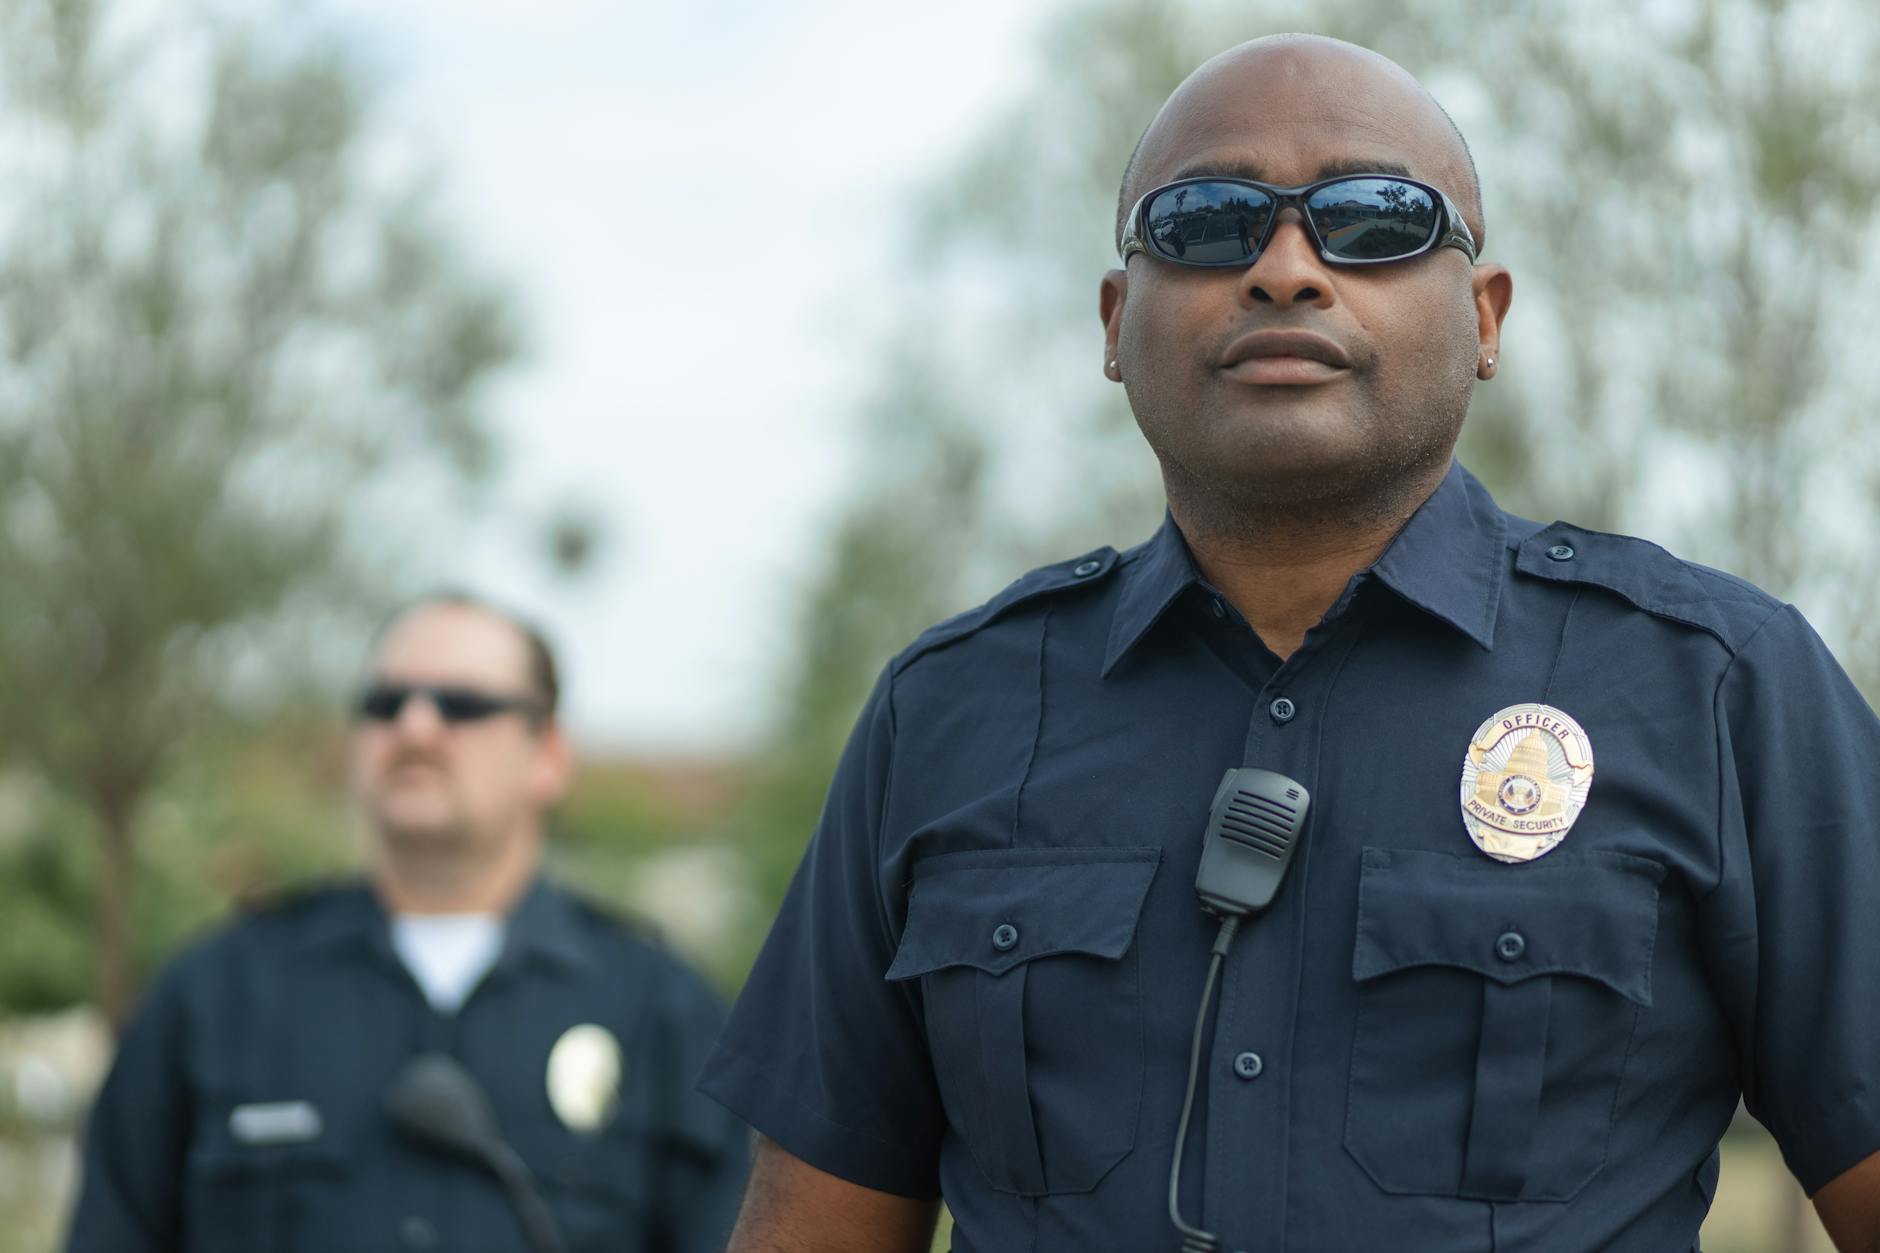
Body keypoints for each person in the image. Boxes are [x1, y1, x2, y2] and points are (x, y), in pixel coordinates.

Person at [696, 35, 1880, 1253]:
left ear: (1483, 315)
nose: (1283, 268)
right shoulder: (948, 713)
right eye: (1207, 221)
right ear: (1114, 323)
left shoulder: (1719, 688)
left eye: (1374, 219)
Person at [67, 594, 749, 1253]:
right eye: (385, 703)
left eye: (462, 705)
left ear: (548, 755)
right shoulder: (214, 997)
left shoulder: (662, 1011)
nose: (415, 727)